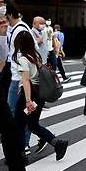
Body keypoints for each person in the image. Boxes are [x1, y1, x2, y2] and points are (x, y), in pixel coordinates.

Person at [0, 0, 49, 171]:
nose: (2, 8)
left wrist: (1, 34)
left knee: (9, 127)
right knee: (9, 127)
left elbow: (3, 57)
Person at [11, 31, 69, 160]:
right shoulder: (36, 56)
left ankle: (20, 155)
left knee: (19, 124)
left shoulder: (23, 59)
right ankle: (57, 144)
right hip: (39, 96)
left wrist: (27, 100)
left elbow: (26, 80)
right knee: (32, 124)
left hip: (30, 97)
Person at [5, 1, 34, 153]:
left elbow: (22, 56)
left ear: (9, 14)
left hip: (19, 77)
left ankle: (23, 143)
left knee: (17, 112)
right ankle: (25, 141)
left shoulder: (20, 30)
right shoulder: (19, 28)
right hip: (18, 76)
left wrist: (22, 81)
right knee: (19, 112)